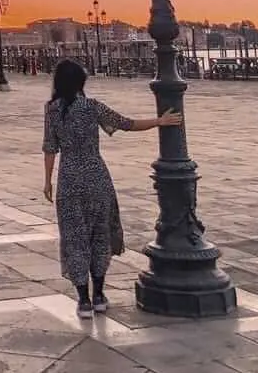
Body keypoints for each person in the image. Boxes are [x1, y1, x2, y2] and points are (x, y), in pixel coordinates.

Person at [42, 58, 181, 319]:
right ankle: (99, 295)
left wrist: (47, 180)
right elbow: (126, 123)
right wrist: (160, 121)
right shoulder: (92, 107)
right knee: (99, 235)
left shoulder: (52, 110)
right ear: (80, 82)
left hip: (69, 181)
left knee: (75, 238)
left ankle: (83, 300)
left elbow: (50, 147)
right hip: (97, 178)